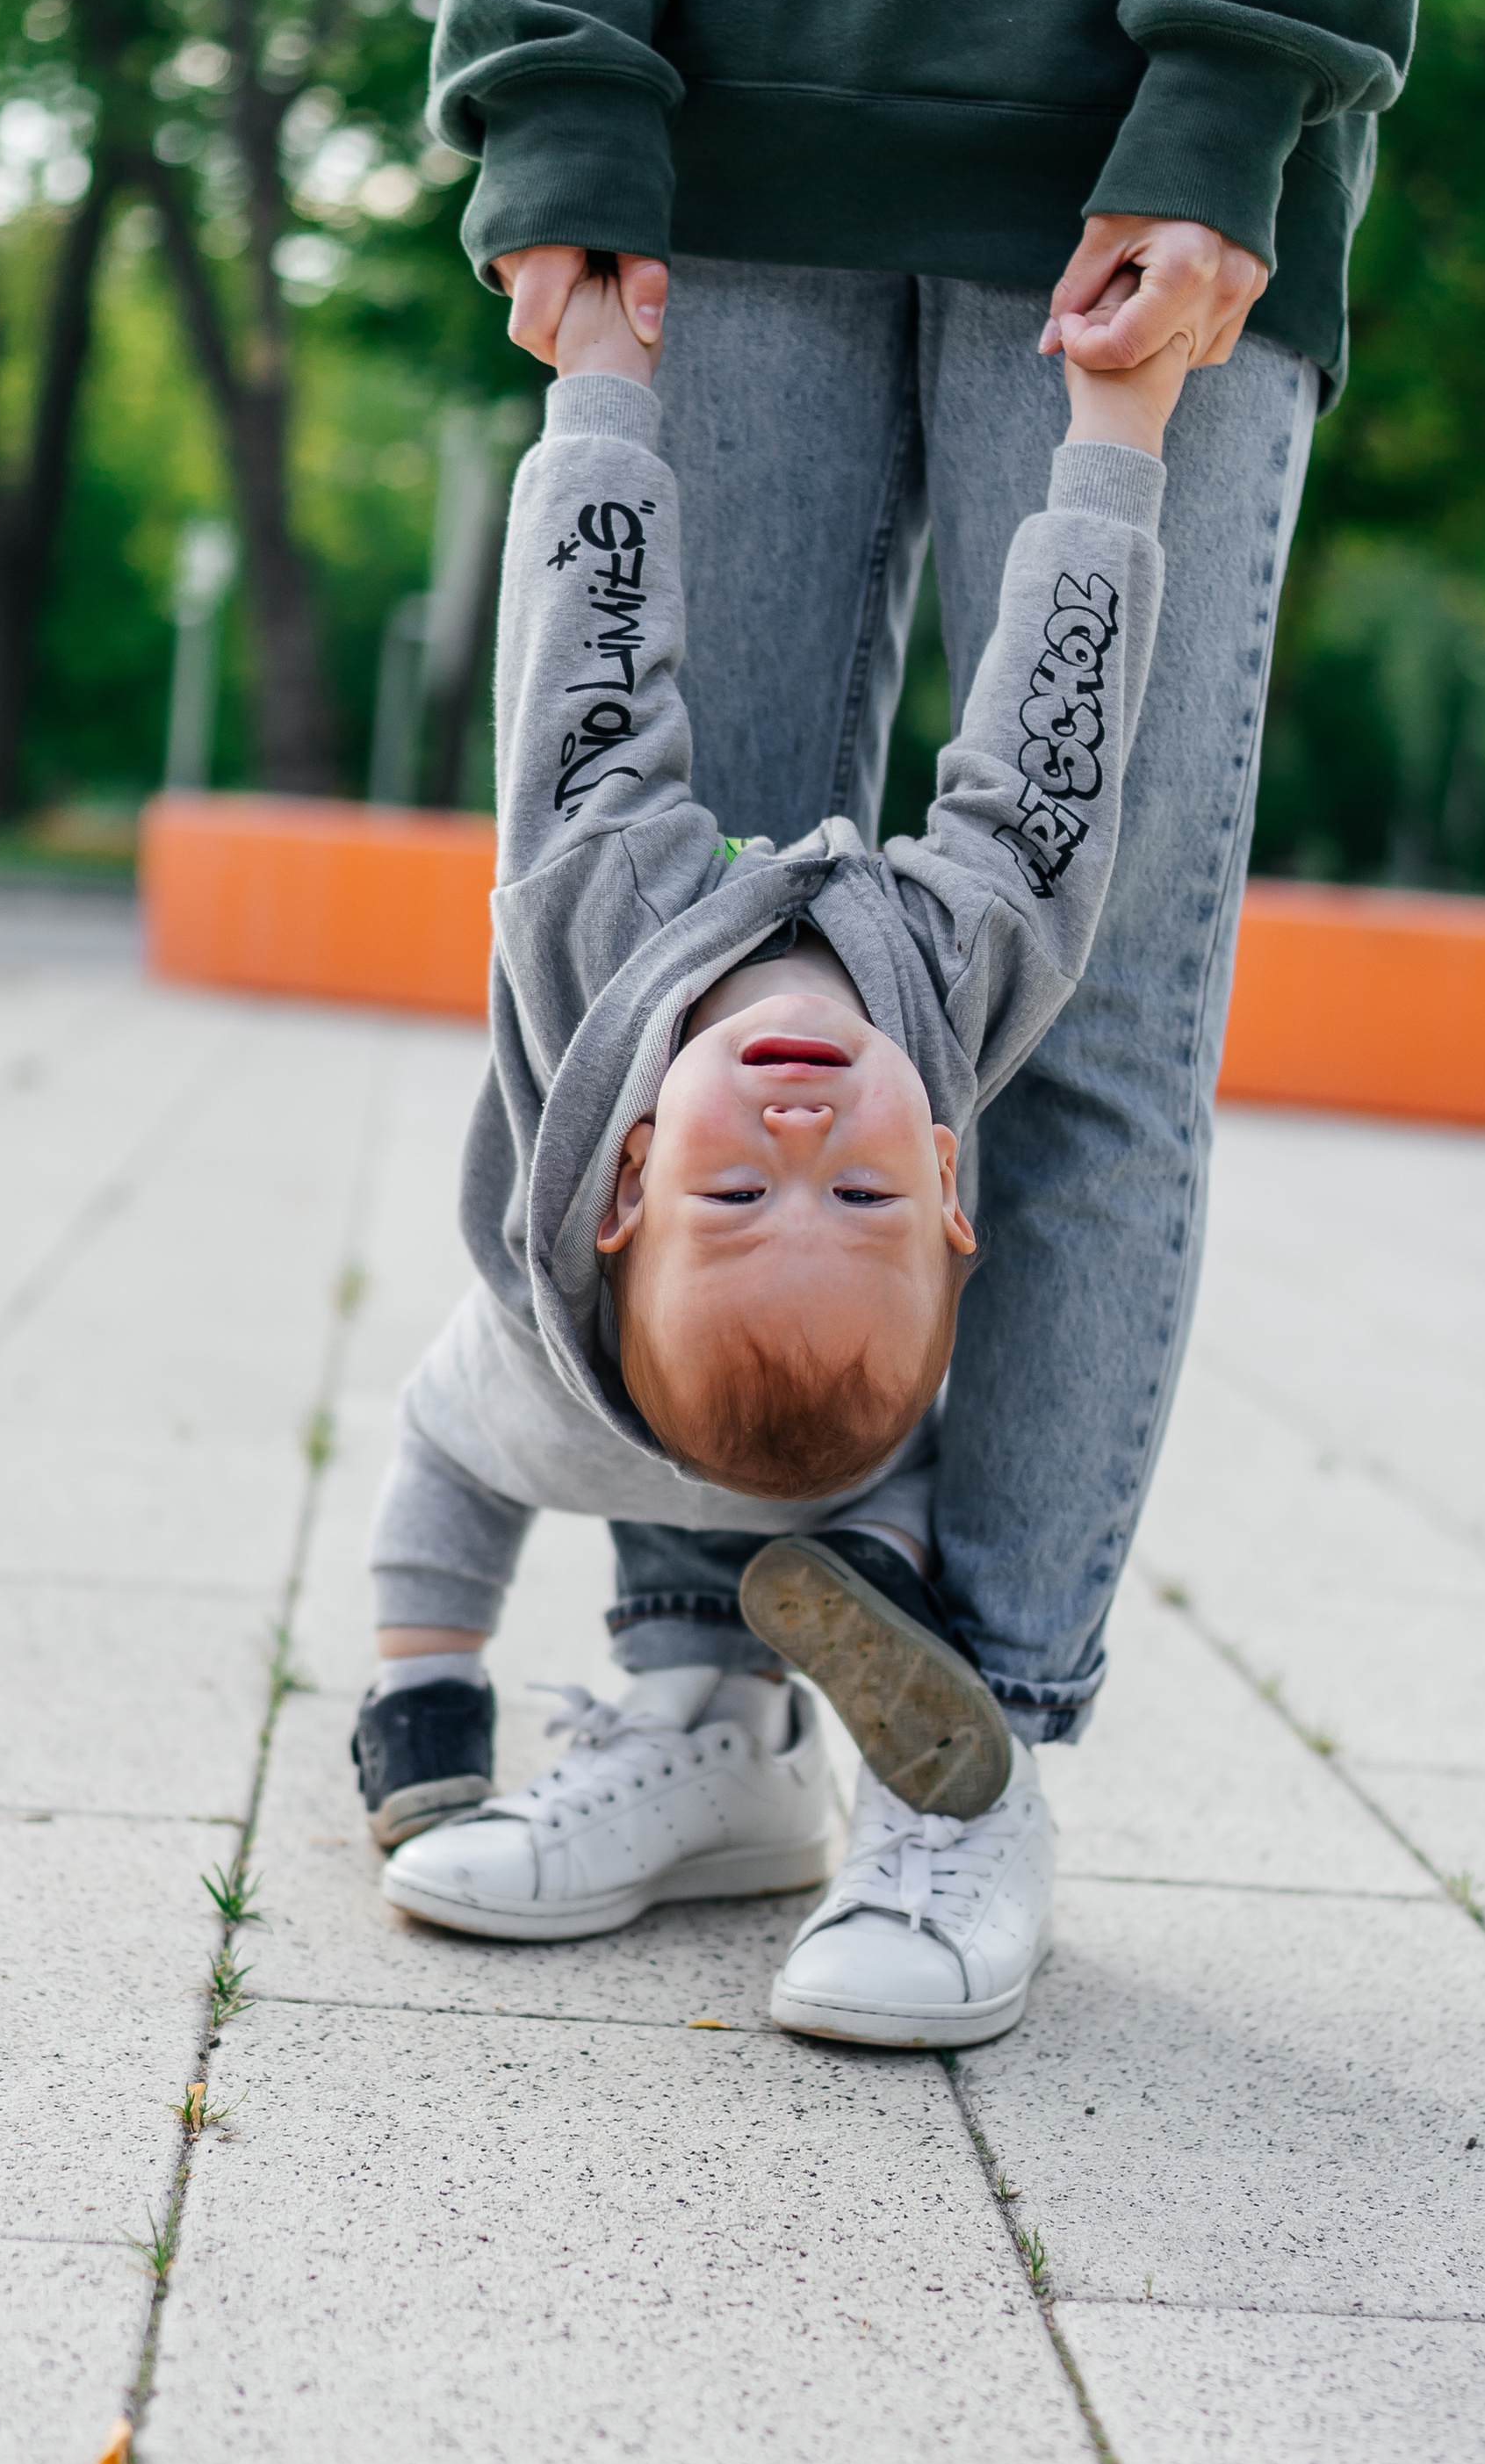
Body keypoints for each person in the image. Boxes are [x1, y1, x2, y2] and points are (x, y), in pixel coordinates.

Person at [396, 0, 1485, 2039]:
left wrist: (1237, 97)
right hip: (710, 135)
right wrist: (557, 82)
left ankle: (954, 1761)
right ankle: (700, 1688)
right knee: (642, 1001)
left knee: (1082, 1014)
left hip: (1141, 154)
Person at [354, 256, 1195, 2046]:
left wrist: (596, 382)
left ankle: (903, 1730)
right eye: (864, 1192)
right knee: (845, 1487)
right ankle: (791, 1649)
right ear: (954, 1194)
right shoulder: (964, 978)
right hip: (972, 284)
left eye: (740, 1193)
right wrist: (1113, 445)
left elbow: (580, 666)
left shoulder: (597, 911)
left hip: (574, 1359)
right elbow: (1051, 759)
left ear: (639, 1168)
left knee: (719, 1448)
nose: (805, 1135)